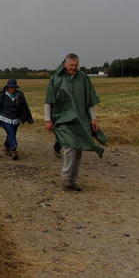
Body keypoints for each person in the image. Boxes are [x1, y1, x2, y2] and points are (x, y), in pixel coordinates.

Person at [45, 53, 107, 191]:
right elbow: (49, 101)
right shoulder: (55, 79)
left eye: (76, 65)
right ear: (65, 64)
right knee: (70, 147)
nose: (74, 68)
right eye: (71, 65)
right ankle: (67, 180)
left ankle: (72, 181)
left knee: (78, 149)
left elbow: (90, 101)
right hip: (63, 120)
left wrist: (93, 118)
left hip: (81, 120)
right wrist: (48, 120)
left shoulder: (84, 78)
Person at [0, 79, 33, 160]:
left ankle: (7, 146)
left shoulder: (19, 94)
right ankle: (14, 149)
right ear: (8, 87)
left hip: (16, 119)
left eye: (14, 87)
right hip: (4, 118)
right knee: (10, 132)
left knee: (12, 134)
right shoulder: (3, 95)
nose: (12, 89)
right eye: (11, 87)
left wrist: (27, 118)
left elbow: (25, 106)